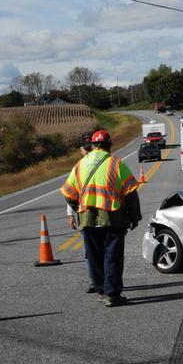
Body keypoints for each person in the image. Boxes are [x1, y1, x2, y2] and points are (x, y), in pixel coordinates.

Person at [60, 128, 142, 307]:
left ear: (93, 145)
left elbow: (68, 193)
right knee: (112, 256)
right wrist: (135, 217)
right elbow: (130, 193)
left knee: (94, 256)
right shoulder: (116, 163)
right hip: (113, 218)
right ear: (108, 145)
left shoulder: (80, 164)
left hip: (87, 218)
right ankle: (112, 294)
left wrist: (78, 209)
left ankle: (102, 291)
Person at [66, 130, 96, 293]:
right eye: (83, 147)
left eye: (86, 147)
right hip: (85, 215)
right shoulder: (78, 167)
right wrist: (70, 214)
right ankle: (94, 280)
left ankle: (102, 280)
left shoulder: (103, 163)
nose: (83, 150)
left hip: (99, 214)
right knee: (89, 250)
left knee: (97, 249)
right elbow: (71, 193)